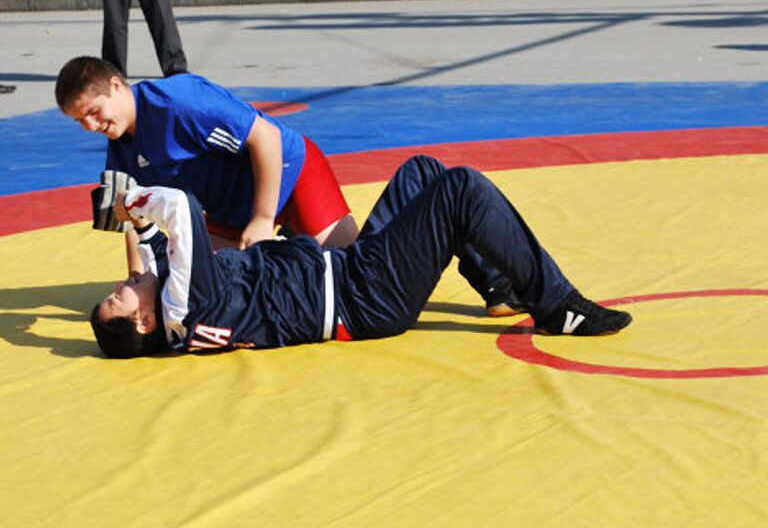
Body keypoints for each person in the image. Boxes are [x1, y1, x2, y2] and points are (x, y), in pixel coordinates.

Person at [89, 154, 633, 359]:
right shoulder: (185, 307)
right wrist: (133, 199)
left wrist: (129, 218)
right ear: (142, 320)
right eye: (119, 296)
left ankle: (500, 285)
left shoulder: (176, 303)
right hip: (362, 297)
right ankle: (557, 305)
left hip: (350, 274)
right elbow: (179, 208)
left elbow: (150, 252)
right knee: (459, 188)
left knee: (420, 172)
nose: (124, 283)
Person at [55, 56, 359, 252]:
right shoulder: (120, 146)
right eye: (80, 120)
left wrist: (263, 219)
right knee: (188, 277)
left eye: (93, 112)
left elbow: (266, 136)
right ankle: (291, 243)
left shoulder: (181, 102)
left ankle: (293, 232)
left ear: (116, 85)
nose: (90, 126)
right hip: (232, 211)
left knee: (353, 270)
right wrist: (139, 277)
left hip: (288, 171)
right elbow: (135, 219)